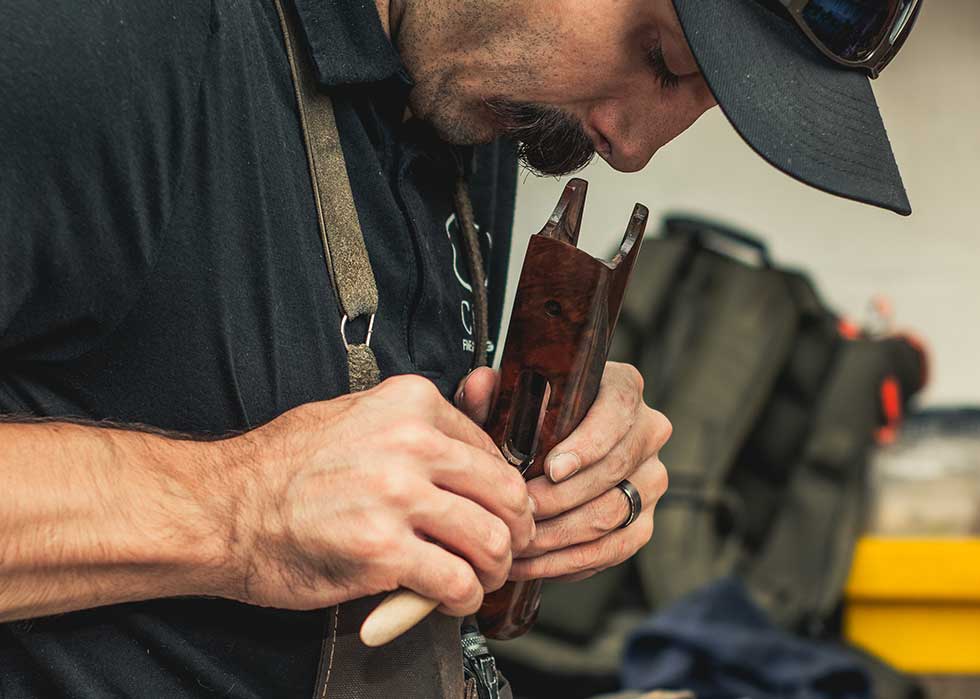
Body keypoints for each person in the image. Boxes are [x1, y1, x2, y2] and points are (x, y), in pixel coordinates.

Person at [0, 0, 920, 696]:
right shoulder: (105, 36)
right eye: (660, 57)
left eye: (700, 101)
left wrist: (527, 478)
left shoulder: (474, 100)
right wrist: (235, 509)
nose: (634, 146)